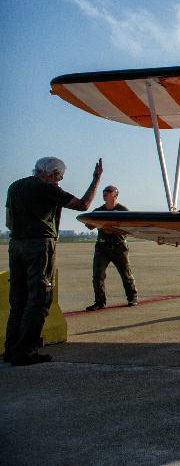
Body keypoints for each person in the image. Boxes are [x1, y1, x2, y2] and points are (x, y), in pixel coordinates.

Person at [4, 157, 103, 366]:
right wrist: (95, 180)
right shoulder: (47, 188)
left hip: (16, 245)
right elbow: (82, 204)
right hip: (40, 245)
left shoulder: (15, 187)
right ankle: (26, 351)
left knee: (18, 300)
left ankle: (11, 349)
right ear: (51, 173)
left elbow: (9, 221)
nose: (59, 181)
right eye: (59, 176)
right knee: (39, 298)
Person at [84, 185, 137, 310]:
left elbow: (131, 227)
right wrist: (94, 224)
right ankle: (99, 302)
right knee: (97, 276)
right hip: (102, 247)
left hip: (119, 246)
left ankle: (132, 298)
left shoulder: (122, 210)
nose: (105, 193)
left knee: (126, 274)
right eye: (104, 191)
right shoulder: (98, 211)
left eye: (108, 191)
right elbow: (89, 224)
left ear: (115, 195)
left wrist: (113, 228)